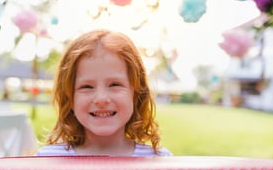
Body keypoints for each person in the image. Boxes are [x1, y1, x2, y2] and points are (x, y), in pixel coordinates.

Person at [36, 29, 172, 156]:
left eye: (115, 84)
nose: (101, 99)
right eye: (87, 87)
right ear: (70, 97)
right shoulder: (47, 161)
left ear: (136, 93)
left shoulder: (161, 163)